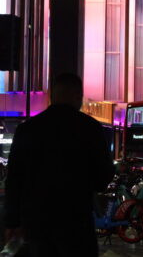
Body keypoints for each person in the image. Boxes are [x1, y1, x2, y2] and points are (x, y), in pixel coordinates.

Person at [4, 73, 115, 256]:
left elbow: (14, 179)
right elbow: (102, 177)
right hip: (76, 221)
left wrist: (12, 222)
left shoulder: (27, 129)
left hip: (37, 223)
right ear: (77, 96)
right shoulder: (90, 128)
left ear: (52, 96)